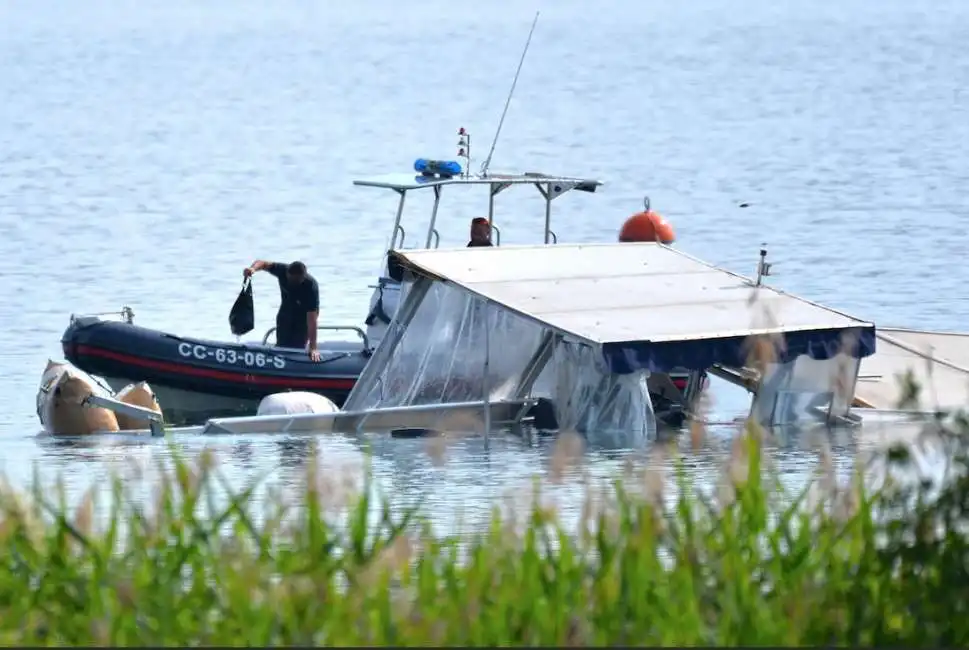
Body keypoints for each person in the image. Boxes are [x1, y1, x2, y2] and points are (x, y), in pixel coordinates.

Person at [243, 260, 321, 361]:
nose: (293, 283)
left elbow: (312, 319)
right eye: (291, 280)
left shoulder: (311, 286)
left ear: (303, 277)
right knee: (282, 343)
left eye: (296, 281)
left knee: (297, 345)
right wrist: (253, 269)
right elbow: (263, 263)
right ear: (287, 273)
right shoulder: (282, 270)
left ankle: (296, 366)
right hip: (286, 312)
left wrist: (313, 347)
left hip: (303, 317)